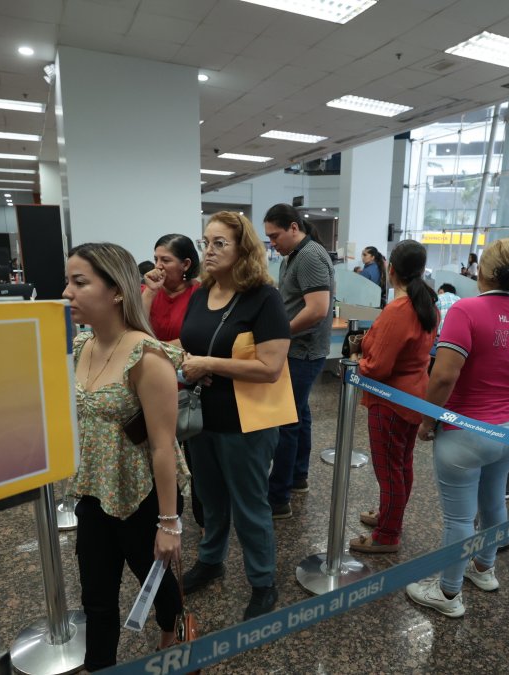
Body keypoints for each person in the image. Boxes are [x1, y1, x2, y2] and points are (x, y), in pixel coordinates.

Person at [62, 242, 186, 671]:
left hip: (143, 495)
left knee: (156, 581)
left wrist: (169, 523)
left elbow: (162, 445)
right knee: (96, 598)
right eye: (68, 282)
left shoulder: (148, 357)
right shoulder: (81, 347)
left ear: (117, 291)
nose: (67, 293)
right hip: (95, 492)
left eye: (80, 282)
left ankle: (176, 631)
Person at [405, 239, 509, 618]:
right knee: (494, 500)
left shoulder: (466, 310)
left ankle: (448, 593)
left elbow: (443, 377)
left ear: (482, 272)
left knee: (459, 518)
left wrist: (428, 420)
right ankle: (484, 569)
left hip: (464, 431)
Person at [179, 211, 290, 620]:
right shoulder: (199, 294)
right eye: (205, 241)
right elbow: (190, 341)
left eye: (219, 243)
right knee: (209, 498)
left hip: (247, 422)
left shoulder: (264, 298)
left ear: (243, 249)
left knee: (250, 505)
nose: (208, 250)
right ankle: (211, 561)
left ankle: (263, 582)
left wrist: (208, 364)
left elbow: (270, 368)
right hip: (201, 418)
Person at [349, 241, 437, 554]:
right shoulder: (428, 303)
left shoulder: (399, 310)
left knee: (389, 470)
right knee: (401, 464)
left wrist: (357, 363)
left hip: (390, 401)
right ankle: (390, 516)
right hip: (414, 395)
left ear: (391, 270)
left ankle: (388, 534)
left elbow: (378, 367)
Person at [263, 203, 335, 518]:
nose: (273, 243)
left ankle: (278, 497)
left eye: (275, 236)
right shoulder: (295, 256)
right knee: (299, 415)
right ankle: (298, 477)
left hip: (302, 351)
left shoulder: (309, 256)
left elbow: (317, 309)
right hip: (298, 349)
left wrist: (281, 333)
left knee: (286, 422)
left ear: (294, 227)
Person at [141, 234, 200, 343]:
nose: (158, 266)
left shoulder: (201, 294)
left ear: (186, 264)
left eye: (165, 260)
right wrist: (150, 291)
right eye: (156, 259)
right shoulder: (145, 291)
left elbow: (197, 339)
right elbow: (135, 331)